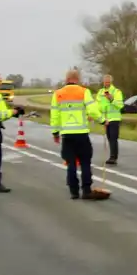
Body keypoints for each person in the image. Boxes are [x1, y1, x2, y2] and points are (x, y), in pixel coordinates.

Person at [51, 69, 106, 199]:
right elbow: (92, 110)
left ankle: (73, 191)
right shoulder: (83, 92)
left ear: (66, 79)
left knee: (71, 163)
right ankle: (86, 190)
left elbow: (55, 115)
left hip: (67, 135)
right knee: (85, 162)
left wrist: (55, 132)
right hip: (81, 134)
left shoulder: (58, 94)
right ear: (77, 79)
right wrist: (103, 120)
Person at [95, 74, 124, 164]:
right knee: (109, 137)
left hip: (114, 118)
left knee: (113, 138)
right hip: (105, 118)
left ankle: (113, 157)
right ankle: (112, 155)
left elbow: (120, 105)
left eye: (108, 82)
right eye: (105, 82)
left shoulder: (116, 92)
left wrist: (112, 99)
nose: (106, 83)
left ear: (111, 82)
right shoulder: (100, 92)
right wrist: (98, 116)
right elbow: (98, 105)